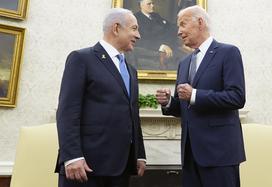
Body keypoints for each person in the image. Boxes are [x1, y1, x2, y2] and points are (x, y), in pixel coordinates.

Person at [156, 5, 246, 187]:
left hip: (220, 153)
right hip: (190, 154)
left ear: (200, 22)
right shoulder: (183, 62)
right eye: (177, 27)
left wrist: (195, 94)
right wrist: (169, 102)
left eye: (183, 24)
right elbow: (185, 107)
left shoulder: (228, 52)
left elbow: (237, 97)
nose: (179, 32)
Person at [55, 8, 146, 187]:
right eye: (134, 28)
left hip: (121, 167)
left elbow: (132, 114)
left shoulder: (130, 70)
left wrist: (139, 153)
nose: (139, 35)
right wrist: (72, 156)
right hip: (86, 165)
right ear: (116, 28)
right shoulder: (81, 59)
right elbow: (67, 111)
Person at [129, 0, 181, 70]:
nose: (152, 6)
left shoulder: (156, 16)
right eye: (149, 4)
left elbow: (170, 28)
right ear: (141, 5)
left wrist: (181, 25)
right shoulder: (135, 19)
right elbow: (137, 40)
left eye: (153, 3)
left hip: (167, 47)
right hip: (150, 53)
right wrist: (161, 46)